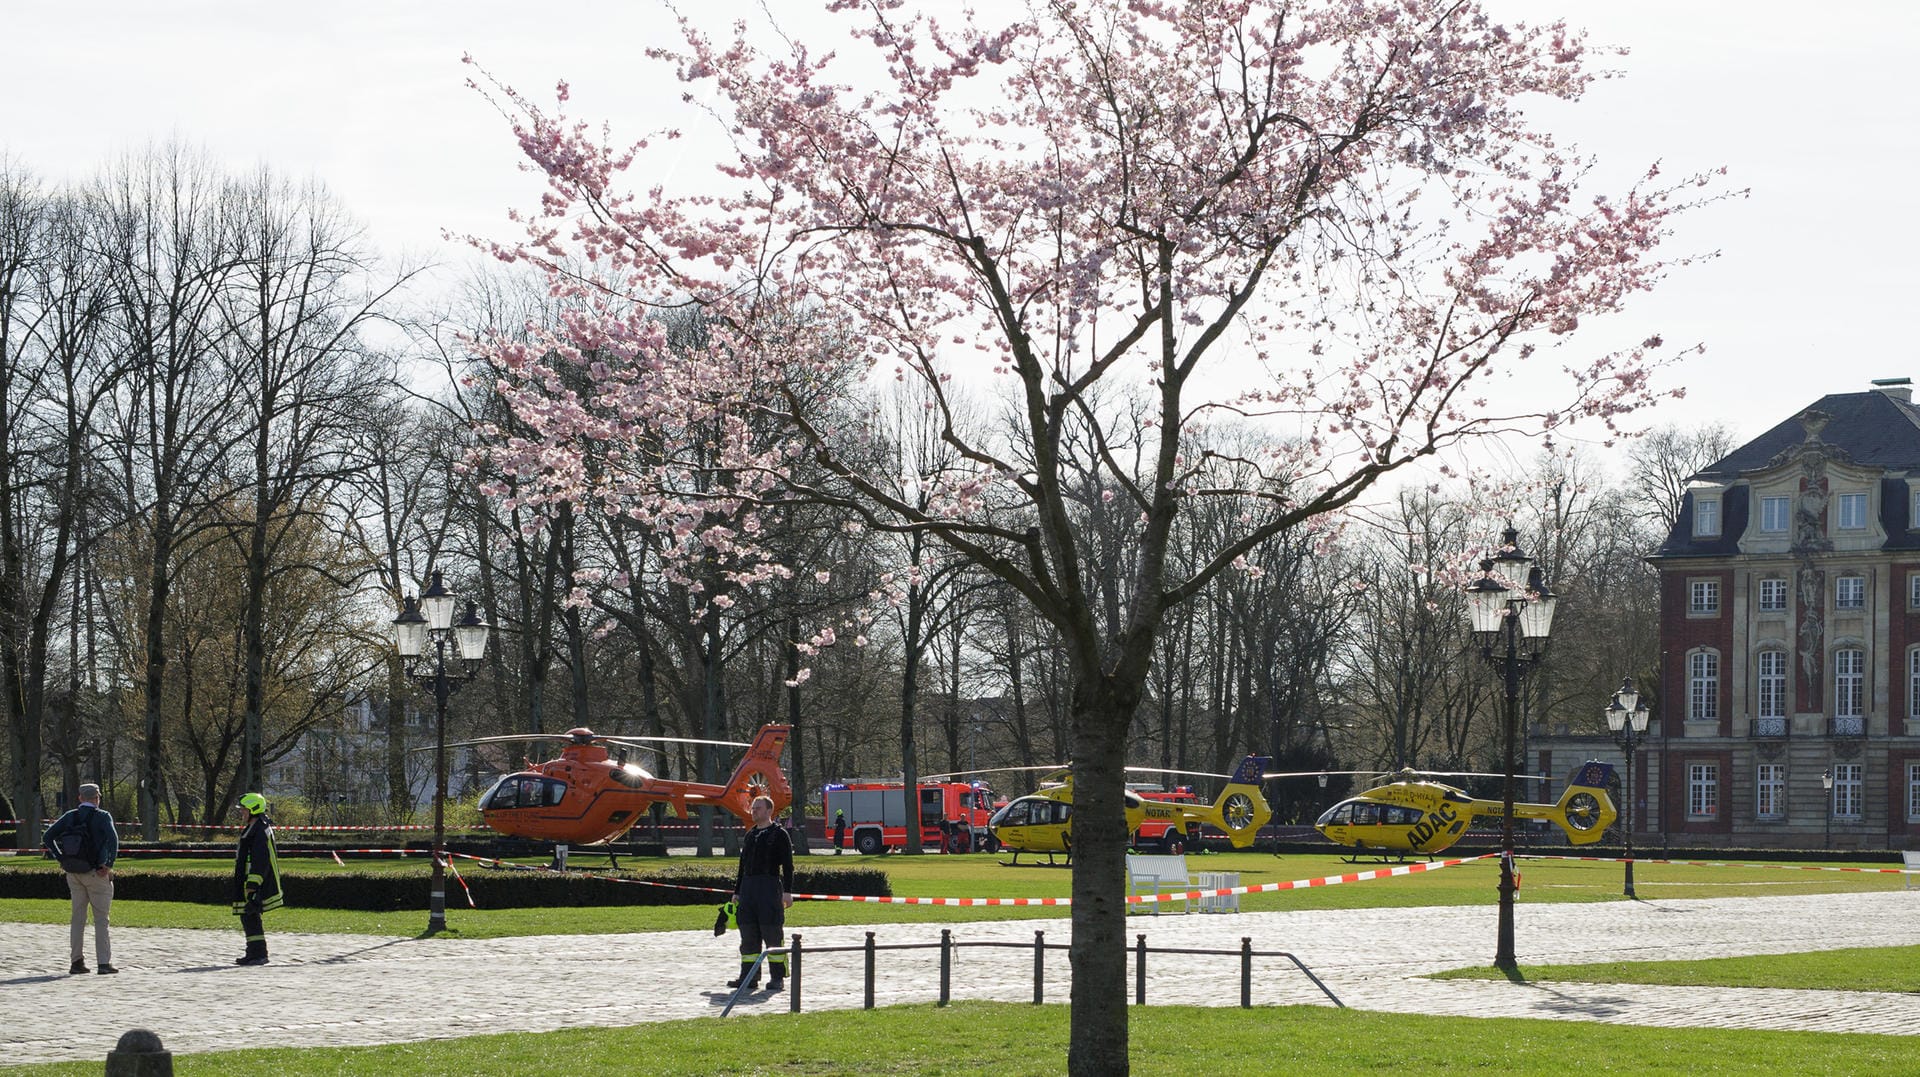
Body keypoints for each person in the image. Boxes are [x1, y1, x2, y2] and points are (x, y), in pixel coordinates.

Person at [42, 783, 117, 975]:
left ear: (80, 798)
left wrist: (62, 859)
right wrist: (108, 864)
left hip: (73, 873)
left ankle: (76, 962)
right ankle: (103, 963)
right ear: (97, 798)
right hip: (96, 872)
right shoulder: (103, 816)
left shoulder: (70, 816)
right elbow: (113, 840)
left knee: (77, 918)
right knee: (101, 919)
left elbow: (48, 836)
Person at [728, 794, 794, 992]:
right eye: (753, 807)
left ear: (768, 811)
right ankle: (748, 977)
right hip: (748, 890)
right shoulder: (750, 835)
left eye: (757, 807)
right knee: (748, 935)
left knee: (772, 933)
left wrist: (788, 892)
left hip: (769, 888)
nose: (753, 810)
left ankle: (777, 978)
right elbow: (742, 866)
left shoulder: (779, 834)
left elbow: (788, 866)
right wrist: (737, 891)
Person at [230, 792, 283, 966]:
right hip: (248, 880)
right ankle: (254, 952)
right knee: (248, 916)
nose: (242, 813)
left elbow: (260, 860)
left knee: (250, 914)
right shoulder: (255, 827)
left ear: (253, 809)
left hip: (255, 882)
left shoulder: (260, 830)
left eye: (244, 809)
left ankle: (259, 953)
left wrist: (253, 884)